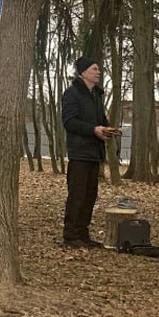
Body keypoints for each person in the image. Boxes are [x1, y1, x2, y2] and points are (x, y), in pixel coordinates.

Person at [61, 56, 116, 249]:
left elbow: (101, 120)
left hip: (94, 153)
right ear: (83, 72)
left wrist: (108, 130)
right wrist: (93, 130)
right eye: (94, 69)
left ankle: (83, 234)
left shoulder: (97, 96)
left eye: (99, 69)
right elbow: (69, 121)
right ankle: (70, 235)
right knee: (77, 195)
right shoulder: (72, 94)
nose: (98, 72)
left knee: (90, 196)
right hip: (79, 153)